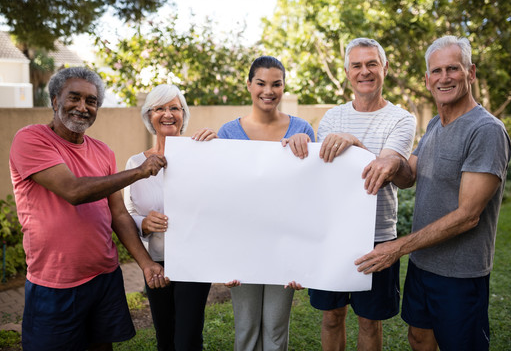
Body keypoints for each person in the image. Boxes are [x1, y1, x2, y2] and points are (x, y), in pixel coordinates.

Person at [356, 36, 511, 350]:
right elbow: (408, 176)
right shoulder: (434, 127)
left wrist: (397, 248)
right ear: (427, 79)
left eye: (452, 68)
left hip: (460, 273)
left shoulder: (486, 130)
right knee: (419, 338)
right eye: (436, 71)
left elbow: (467, 216)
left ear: (471, 72)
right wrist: (388, 161)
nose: (444, 77)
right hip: (422, 265)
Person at [9, 67, 170, 351]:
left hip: (104, 276)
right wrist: (138, 173)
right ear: (56, 100)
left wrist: (146, 264)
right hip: (55, 282)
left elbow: (118, 214)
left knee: (101, 347)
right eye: (74, 98)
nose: (83, 107)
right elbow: (73, 191)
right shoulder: (31, 139)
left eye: (91, 101)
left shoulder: (103, 151)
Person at [285, 38, 416, 351]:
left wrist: (354, 143)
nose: (365, 71)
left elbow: (382, 173)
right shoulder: (332, 117)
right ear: (346, 72)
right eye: (357, 65)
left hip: (377, 235)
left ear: (384, 68)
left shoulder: (401, 118)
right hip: (332, 233)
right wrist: (298, 145)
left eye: (372, 64)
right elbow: (322, 176)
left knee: (370, 321)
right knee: (331, 315)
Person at [218, 56, 315, 351]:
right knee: (246, 329)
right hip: (241, 244)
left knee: (275, 329)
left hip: (284, 244)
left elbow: (312, 197)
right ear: (249, 85)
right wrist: (221, 256)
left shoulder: (303, 130)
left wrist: (302, 257)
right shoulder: (227, 134)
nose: (268, 91)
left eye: (276, 84)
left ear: (284, 87)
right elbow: (219, 197)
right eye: (261, 83)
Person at [124, 84, 217, 351]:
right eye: (160, 108)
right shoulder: (135, 164)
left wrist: (215, 149)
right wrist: (144, 222)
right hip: (156, 261)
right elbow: (128, 213)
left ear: (183, 115)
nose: (167, 114)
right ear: (149, 116)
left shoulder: (202, 154)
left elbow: (218, 200)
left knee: (187, 339)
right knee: (164, 336)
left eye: (174, 108)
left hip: (193, 259)